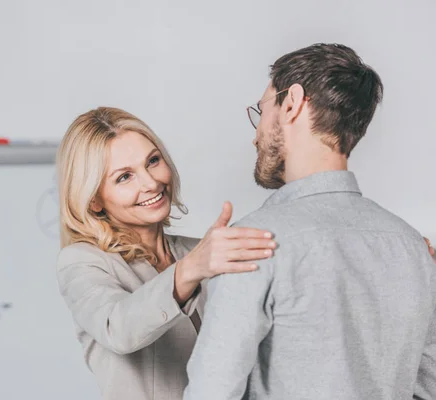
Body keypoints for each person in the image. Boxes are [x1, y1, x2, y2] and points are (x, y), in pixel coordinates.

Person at [183, 43, 436, 400]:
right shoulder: (413, 248)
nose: (256, 135)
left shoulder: (252, 242)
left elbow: (211, 393)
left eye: (262, 109)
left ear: (292, 103)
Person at [54, 107, 278, 400]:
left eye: (153, 161)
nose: (151, 183)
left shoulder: (198, 251)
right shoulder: (83, 262)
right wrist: (190, 269)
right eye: (124, 177)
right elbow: (118, 328)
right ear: (94, 201)